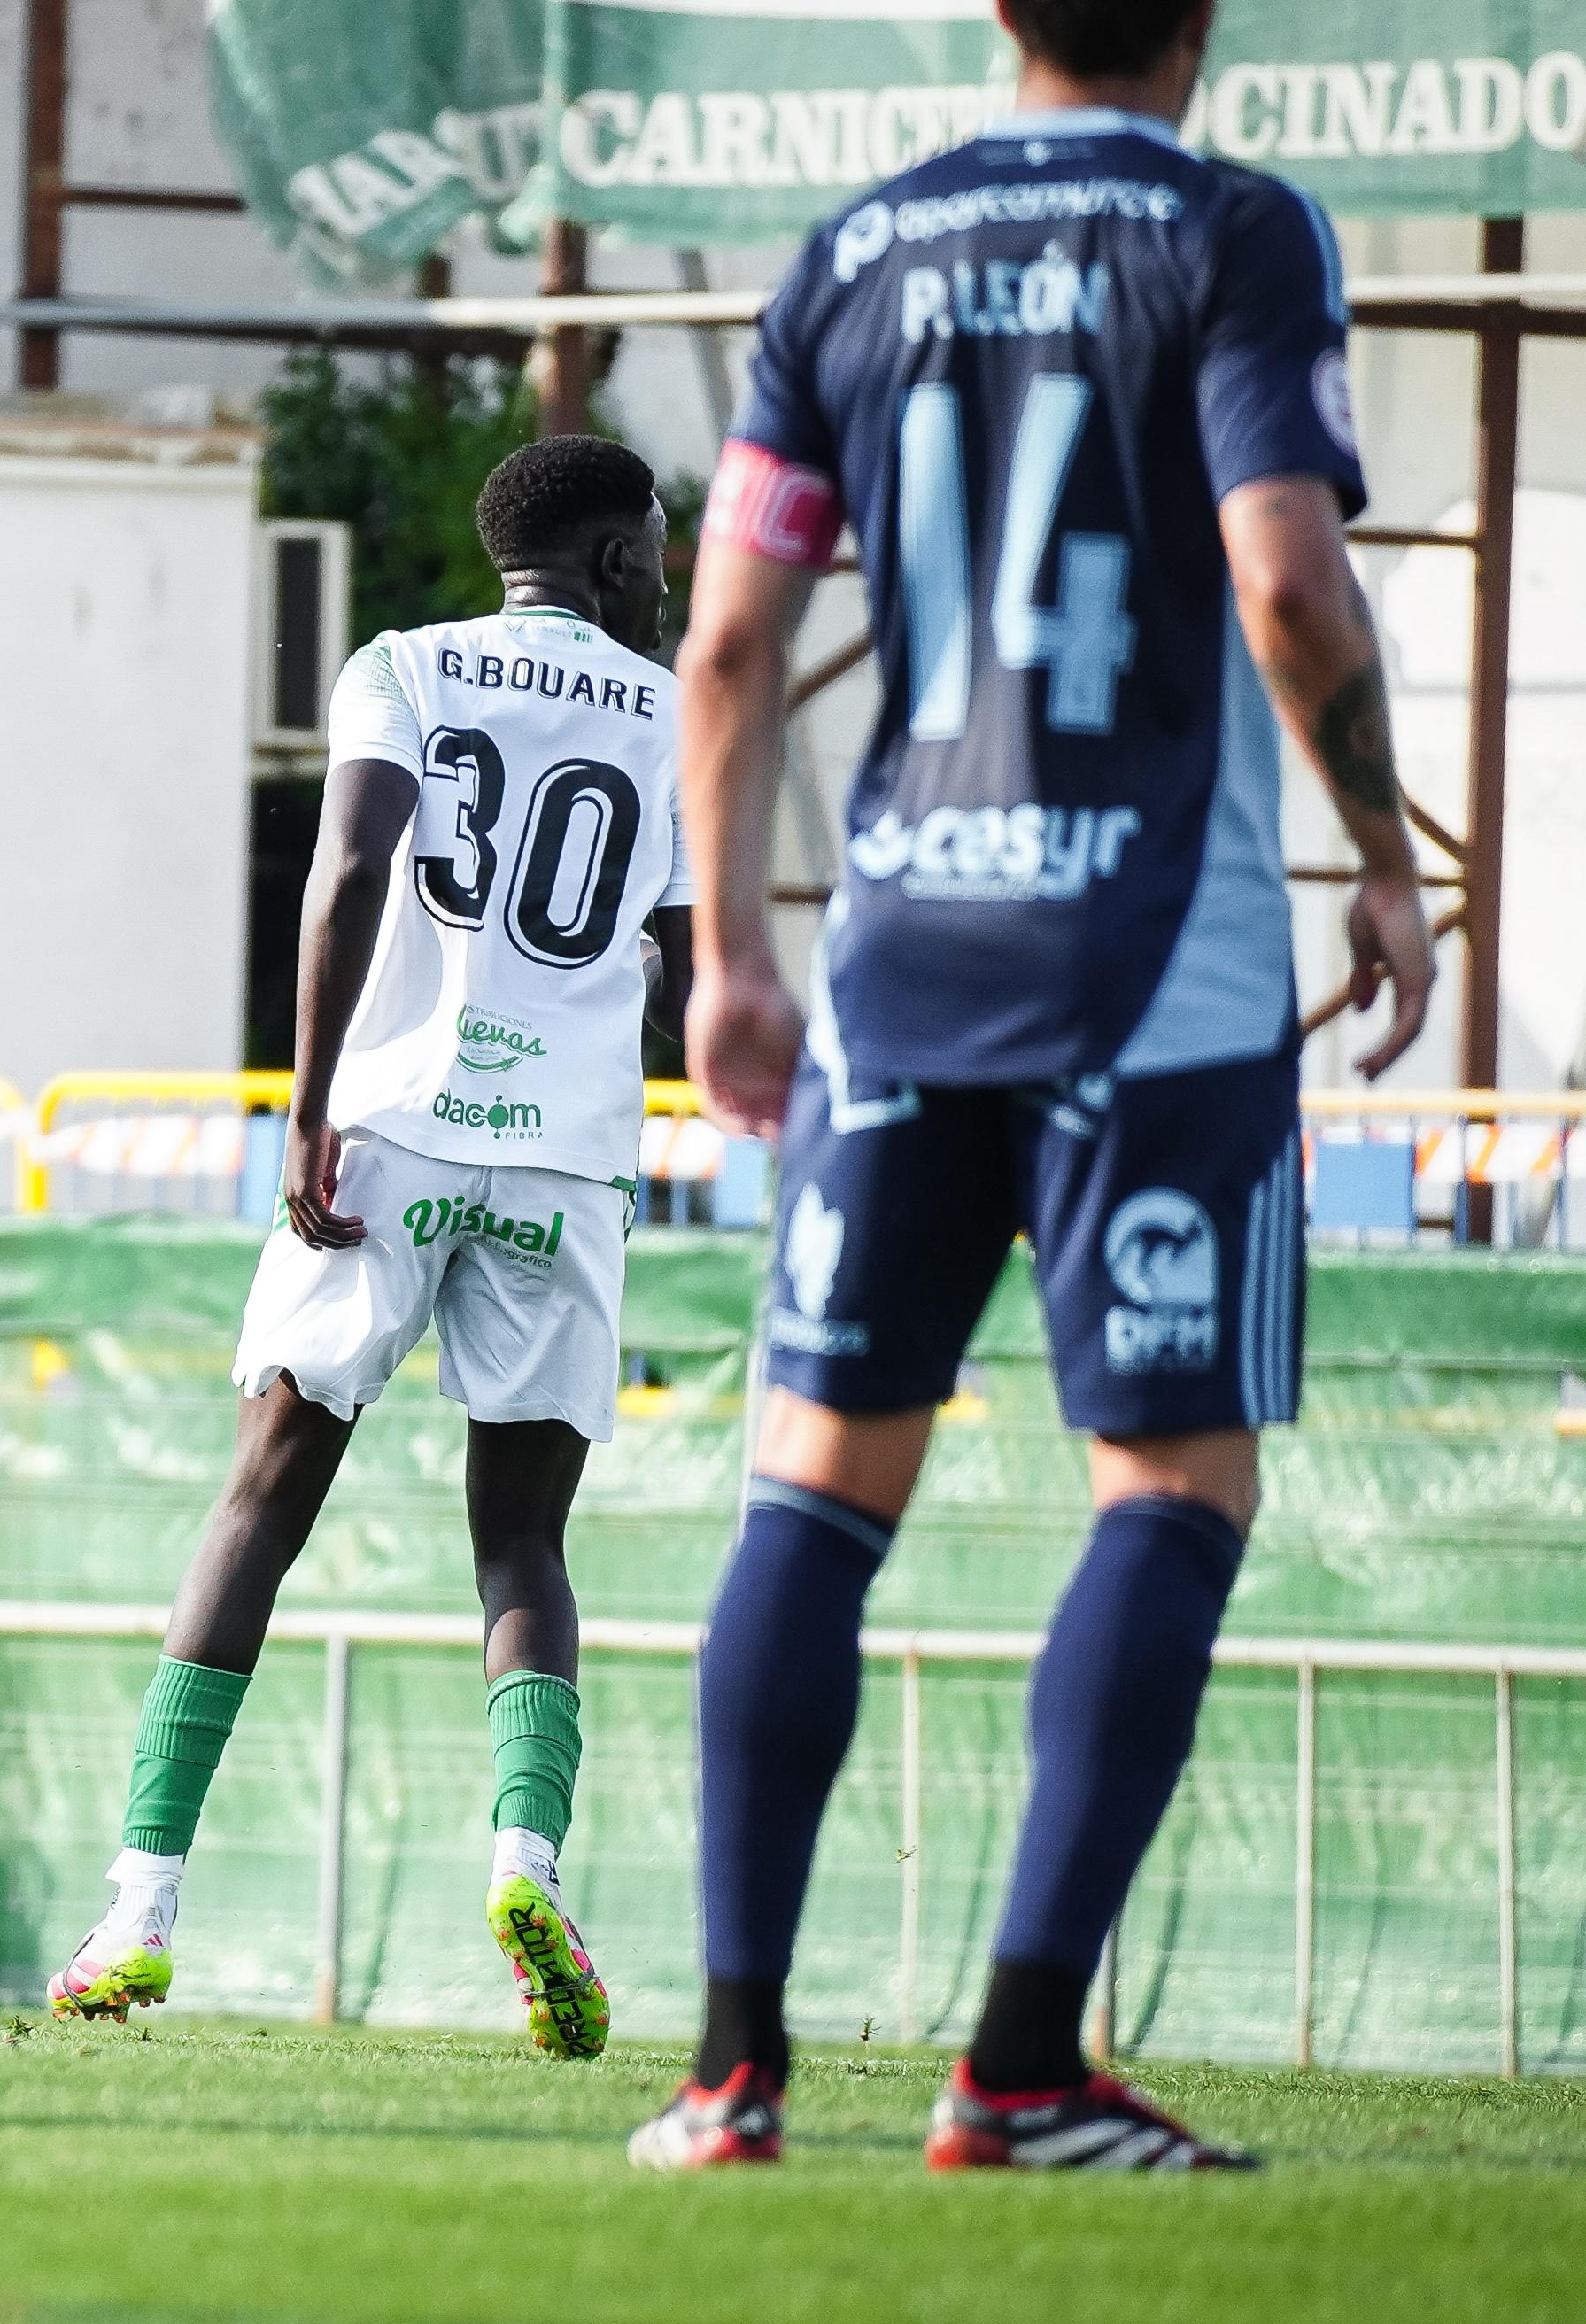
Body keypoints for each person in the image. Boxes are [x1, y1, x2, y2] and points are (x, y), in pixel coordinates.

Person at [636, 0, 1435, 2170]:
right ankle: (1012, 2060)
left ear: (996, 13)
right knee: (1169, 1490)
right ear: (1205, 20)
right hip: (1148, 962)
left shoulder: (854, 250)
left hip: (898, 961)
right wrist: (1382, 853)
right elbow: (1282, 573)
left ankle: (729, 2069)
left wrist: (726, 958)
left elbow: (723, 644)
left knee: (812, 1481)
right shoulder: (1237, 232)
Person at [47, 436, 695, 2059]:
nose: (668, 575)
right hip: (564, 1156)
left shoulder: (399, 664)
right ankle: (526, 1858)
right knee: (524, 1547)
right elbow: (672, 976)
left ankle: (139, 1901)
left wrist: (307, 1100)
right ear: (614, 562)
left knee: (262, 1499)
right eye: (659, 549)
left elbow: (346, 868)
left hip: (388, 1128)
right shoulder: (679, 715)